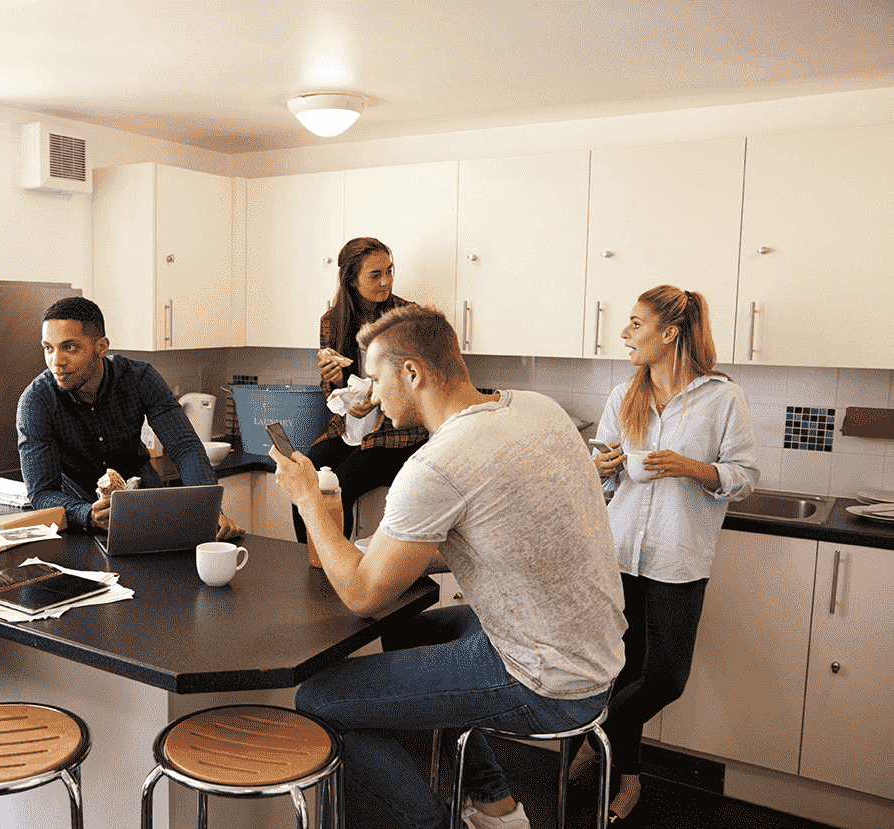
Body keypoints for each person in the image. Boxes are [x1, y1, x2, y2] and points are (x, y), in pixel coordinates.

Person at [272, 304, 626, 829]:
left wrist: (307, 499)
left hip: (543, 681)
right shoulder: (536, 408)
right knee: (407, 630)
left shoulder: (439, 463)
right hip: (593, 652)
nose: (368, 395)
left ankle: (430, 823)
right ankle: (496, 807)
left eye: (373, 379)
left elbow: (362, 594)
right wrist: (388, 552)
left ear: (411, 373)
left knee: (320, 699)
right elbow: (499, 537)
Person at [577, 285, 758, 823]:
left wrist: (693, 467)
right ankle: (625, 779)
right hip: (618, 553)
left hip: (679, 558)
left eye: (635, 324)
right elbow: (600, 471)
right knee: (623, 671)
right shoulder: (623, 395)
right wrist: (599, 470)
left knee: (664, 678)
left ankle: (591, 738)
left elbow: (744, 477)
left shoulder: (723, 398)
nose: (625, 334)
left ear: (669, 332)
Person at [17, 296, 242, 538]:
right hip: (82, 522)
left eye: (70, 347)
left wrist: (208, 506)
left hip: (148, 507)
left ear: (101, 347)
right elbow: (41, 492)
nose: (56, 361)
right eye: (48, 348)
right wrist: (87, 514)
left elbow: (184, 447)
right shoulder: (36, 400)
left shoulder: (139, 378)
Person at [292, 237, 428, 544]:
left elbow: (419, 385)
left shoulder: (408, 318)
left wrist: (377, 397)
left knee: (339, 486)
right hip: (347, 431)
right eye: (375, 275)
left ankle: (341, 572)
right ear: (351, 279)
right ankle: (311, 563)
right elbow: (334, 394)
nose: (386, 281)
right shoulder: (332, 322)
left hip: (396, 437)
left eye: (390, 271)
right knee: (304, 479)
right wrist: (334, 382)